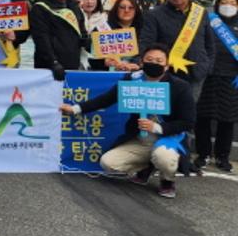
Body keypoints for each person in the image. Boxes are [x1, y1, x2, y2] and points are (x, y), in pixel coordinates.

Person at [60, 44, 195, 199]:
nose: (154, 63)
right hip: (140, 140)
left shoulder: (180, 87)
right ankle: (147, 166)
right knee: (108, 163)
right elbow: (106, 99)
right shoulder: (132, 80)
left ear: (166, 66)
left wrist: (157, 127)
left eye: (159, 61)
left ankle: (167, 181)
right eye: (149, 59)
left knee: (164, 158)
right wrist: (75, 109)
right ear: (142, 62)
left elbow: (188, 122)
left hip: (168, 139)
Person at [139, 0, 215, 100]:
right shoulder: (154, 14)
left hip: (196, 72)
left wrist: (207, 67)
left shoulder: (201, 13)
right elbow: (146, 42)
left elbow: (209, 44)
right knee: (165, 109)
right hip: (167, 73)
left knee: (189, 109)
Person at [193, 0, 238, 173]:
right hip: (208, 76)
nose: (228, 5)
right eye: (224, 2)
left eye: (233, 3)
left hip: (232, 78)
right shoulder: (208, 22)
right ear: (217, 4)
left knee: (227, 120)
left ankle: (222, 156)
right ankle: (203, 154)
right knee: (203, 117)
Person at [30, 0, 87, 80]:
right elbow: (42, 39)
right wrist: (53, 62)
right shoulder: (40, 8)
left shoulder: (73, 6)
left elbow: (82, 31)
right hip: (49, 69)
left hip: (74, 65)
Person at [102, 0, 143, 72]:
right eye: (122, 7)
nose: (126, 10)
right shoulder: (103, 29)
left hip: (137, 72)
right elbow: (93, 55)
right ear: (116, 9)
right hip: (108, 74)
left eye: (131, 8)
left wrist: (137, 64)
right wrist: (103, 62)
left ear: (136, 10)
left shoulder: (145, 30)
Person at [79, 0, 109, 71]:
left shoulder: (105, 18)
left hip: (98, 63)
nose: (89, 2)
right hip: (76, 61)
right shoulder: (73, 16)